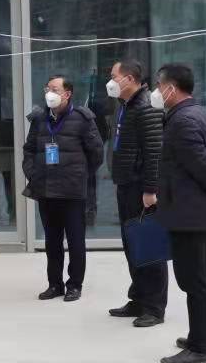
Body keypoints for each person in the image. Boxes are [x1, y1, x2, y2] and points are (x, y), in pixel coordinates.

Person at [154, 64, 206, 363]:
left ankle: (199, 349)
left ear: (171, 88)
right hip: (194, 210)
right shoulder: (198, 114)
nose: (157, 92)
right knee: (203, 275)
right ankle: (204, 338)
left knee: (193, 280)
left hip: (188, 211)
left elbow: (202, 165)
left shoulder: (183, 121)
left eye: (159, 86)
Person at [23, 75, 103, 302]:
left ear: (67, 94)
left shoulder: (83, 118)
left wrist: (80, 174)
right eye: (47, 88)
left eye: (55, 89)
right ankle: (54, 284)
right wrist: (32, 172)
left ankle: (74, 285)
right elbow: (29, 149)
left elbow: (96, 153)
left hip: (72, 191)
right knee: (52, 241)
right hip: (46, 189)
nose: (49, 93)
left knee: (76, 240)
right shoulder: (39, 119)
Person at [105, 60, 167, 328]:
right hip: (126, 184)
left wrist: (150, 189)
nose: (110, 81)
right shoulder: (125, 105)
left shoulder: (146, 107)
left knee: (148, 245)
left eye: (114, 76)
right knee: (132, 245)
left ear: (129, 79)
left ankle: (154, 307)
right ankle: (139, 299)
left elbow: (154, 153)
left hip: (142, 188)